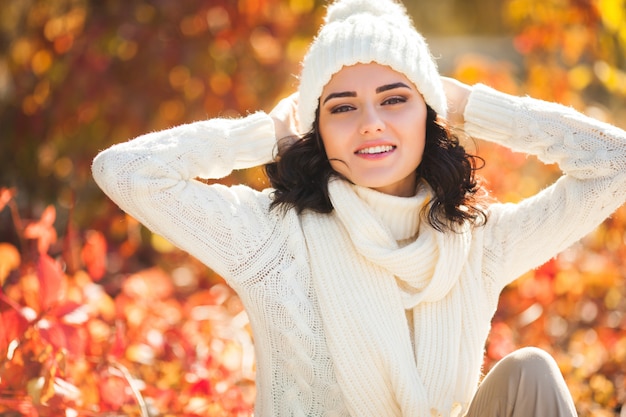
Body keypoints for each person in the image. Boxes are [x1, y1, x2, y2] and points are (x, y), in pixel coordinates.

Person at [91, 0, 626, 415]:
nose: (371, 122)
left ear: (428, 114)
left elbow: (615, 163)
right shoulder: (271, 237)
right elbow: (124, 171)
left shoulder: (478, 241)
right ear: (317, 129)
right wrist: (266, 133)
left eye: (395, 99)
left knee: (531, 373)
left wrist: (472, 106)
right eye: (342, 107)